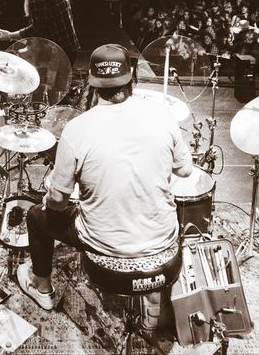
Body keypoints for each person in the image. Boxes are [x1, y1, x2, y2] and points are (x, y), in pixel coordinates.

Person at [17, 44, 193, 310]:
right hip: (165, 252)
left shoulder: (77, 129)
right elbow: (185, 170)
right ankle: (155, 306)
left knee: (36, 216)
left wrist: (55, 200)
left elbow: (57, 202)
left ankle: (43, 289)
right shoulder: (162, 114)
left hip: (107, 258)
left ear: (92, 81)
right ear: (131, 74)